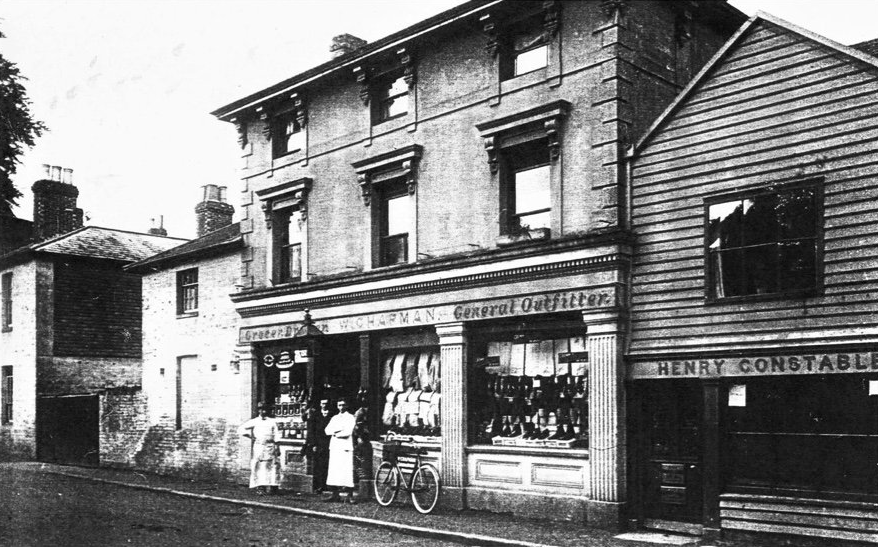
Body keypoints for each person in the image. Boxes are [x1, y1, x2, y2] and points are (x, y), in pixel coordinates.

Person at [237, 402, 281, 496]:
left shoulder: (272, 421)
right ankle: (260, 487)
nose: (263, 412)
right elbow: (241, 429)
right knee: (260, 467)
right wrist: (250, 436)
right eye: (261, 410)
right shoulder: (255, 421)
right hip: (259, 446)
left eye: (265, 410)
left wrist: (278, 447)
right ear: (259, 411)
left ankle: (273, 487)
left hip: (270, 446)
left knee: (273, 466)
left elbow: (276, 434)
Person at [323, 397, 356, 503]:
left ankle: (350, 495)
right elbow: (327, 430)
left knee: (347, 471)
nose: (341, 407)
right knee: (334, 471)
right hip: (335, 447)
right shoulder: (335, 418)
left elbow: (348, 432)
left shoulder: (350, 417)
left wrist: (336, 433)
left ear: (347, 406)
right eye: (339, 405)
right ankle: (335, 494)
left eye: (343, 405)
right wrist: (338, 430)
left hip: (345, 447)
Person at [303, 397, 333, 493]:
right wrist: (313, 444)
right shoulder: (315, 415)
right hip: (318, 443)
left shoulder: (332, 415)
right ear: (320, 404)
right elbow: (311, 430)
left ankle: (326, 485)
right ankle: (318, 486)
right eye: (323, 403)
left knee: (327, 464)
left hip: (329, 443)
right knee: (318, 465)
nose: (324, 405)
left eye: (326, 403)